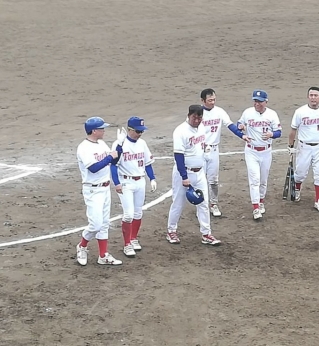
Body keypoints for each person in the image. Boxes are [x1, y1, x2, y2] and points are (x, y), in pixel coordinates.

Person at [167, 105, 222, 246]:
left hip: (199, 173)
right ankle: (171, 231)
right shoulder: (180, 131)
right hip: (184, 173)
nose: (197, 120)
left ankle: (206, 234)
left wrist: (206, 150)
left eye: (199, 118)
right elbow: (178, 156)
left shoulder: (202, 127)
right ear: (189, 115)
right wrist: (184, 177)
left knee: (203, 203)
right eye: (194, 118)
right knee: (178, 203)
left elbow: (202, 145)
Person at [75, 116, 122, 266]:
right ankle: (82, 246)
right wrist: (109, 157)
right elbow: (93, 168)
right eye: (102, 128)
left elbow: (114, 160)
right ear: (94, 131)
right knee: (95, 224)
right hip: (92, 190)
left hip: (105, 188)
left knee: (104, 224)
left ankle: (103, 255)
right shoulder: (84, 148)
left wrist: (119, 146)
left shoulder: (101, 143)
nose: (104, 131)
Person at [110, 116, 157, 257]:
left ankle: (133, 238)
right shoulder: (119, 144)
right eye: (138, 131)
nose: (140, 134)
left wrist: (152, 178)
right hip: (126, 182)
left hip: (140, 181)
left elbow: (147, 163)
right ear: (129, 130)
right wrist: (117, 183)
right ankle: (127, 244)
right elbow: (113, 165)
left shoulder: (142, 143)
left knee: (138, 213)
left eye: (142, 131)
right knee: (129, 214)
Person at [200, 88, 250, 217]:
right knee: (199, 180)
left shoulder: (219, 111)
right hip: (199, 150)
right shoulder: (197, 113)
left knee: (213, 180)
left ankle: (214, 204)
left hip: (213, 150)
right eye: (210, 100)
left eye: (214, 99)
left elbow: (230, 125)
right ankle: (201, 205)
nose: (212, 102)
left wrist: (242, 135)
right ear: (203, 100)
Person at [288, 87, 319, 212]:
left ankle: (318, 200)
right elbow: (293, 130)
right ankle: (297, 189)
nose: (313, 98)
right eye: (311, 95)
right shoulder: (300, 112)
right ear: (308, 97)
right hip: (304, 147)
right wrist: (290, 146)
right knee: (300, 173)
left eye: (316, 95)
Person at [237, 90, 282, 220]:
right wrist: (241, 126)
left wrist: (271, 134)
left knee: (263, 180)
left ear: (265, 102)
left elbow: (279, 132)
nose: (257, 104)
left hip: (266, 151)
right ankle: (256, 208)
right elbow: (239, 123)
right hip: (251, 151)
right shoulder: (248, 112)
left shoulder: (272, 114)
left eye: (260, 101)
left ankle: (261, 201)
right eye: (255, 101)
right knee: (254, 180)